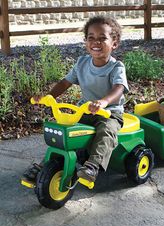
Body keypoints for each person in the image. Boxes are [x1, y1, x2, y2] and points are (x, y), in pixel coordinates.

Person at [23, 16, 129, 183]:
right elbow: (65, 82)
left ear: (114, 43)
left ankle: (93, 166)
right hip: (84, 110)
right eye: (91, 37)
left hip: (109, 113)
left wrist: (103, 102)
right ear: (86, 42)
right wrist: (49, 97)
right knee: (66, 131)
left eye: (103, 38)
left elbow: (119, 88)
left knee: (106, 131)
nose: (96, 42)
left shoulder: (116, 67)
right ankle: (48, 164)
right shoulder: (81, 63)